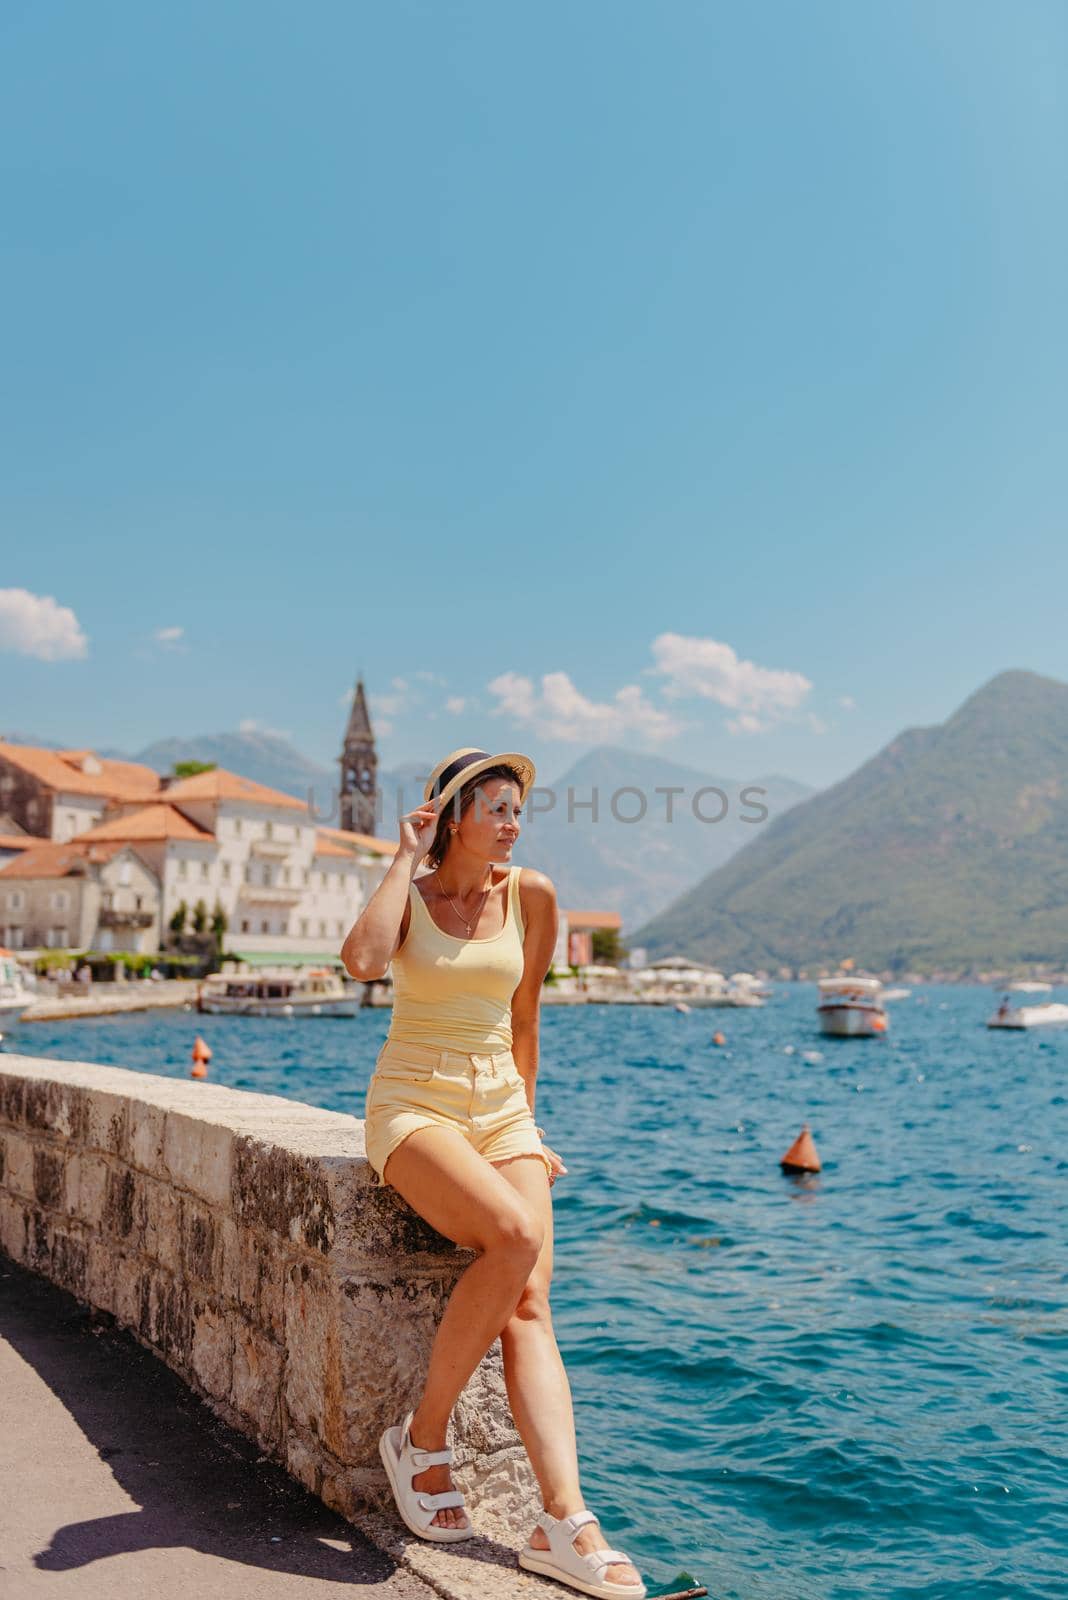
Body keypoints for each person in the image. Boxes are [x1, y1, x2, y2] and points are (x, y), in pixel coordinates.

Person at [341, 747, 645, 1599]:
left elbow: (525, 1020)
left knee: (533, 1300)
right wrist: (404, 855)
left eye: (519, 808)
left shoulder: (532, 895)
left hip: (501, 1109)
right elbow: (362, 963)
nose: (513, 822)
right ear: (451, 815)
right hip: (414, 1106)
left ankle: (563, 1520)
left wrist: (526, 1126)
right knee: (512, 1238)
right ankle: (423, 1441)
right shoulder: (415, 895)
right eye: (498, 807)